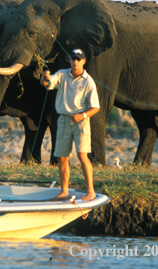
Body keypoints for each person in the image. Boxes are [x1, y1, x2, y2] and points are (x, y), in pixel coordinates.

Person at [41, 48, 100, 201]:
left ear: (84, 61)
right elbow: (47, 84)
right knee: (62, 157)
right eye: (73, 59)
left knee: (82, 155)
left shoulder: (88, 81)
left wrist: (83, 115)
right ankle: (64, 191)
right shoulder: (61, 74)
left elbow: (96, 107)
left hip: (82, 121)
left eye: (78, 59)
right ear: (69, 60)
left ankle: (91, 191)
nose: (75, 62)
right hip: (63, 119)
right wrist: (44, 77)